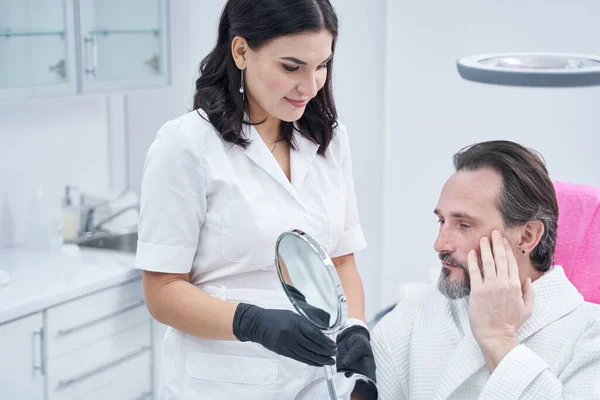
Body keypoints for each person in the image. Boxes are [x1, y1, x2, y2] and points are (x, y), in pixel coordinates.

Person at [135, 0, 375, 398]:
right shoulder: (186, 146)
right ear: (242, 51)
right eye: (291, 67)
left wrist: (355, 328)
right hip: (221, 384)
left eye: (322, 66)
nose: (310, 86)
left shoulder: (328, 140)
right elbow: (162, 291)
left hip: (315, 382)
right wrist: (251, 322)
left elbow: (342, 259)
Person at [372, 140, 600, 399]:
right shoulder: (413, 316)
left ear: (527, 236)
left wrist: (498, 340)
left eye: (464, 225)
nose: (440, 244)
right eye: (442, 221)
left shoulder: (590, 335)